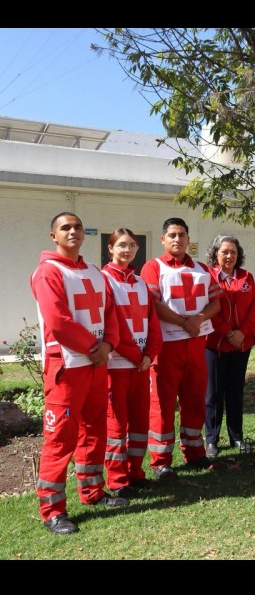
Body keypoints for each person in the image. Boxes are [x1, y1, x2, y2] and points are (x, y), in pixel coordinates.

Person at [30, 212, 126, 535]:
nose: (73, 231)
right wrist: (94, 347)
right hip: (67, 368)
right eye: (65, 227)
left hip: (96, 364)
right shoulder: (47, 272)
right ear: (53, 236)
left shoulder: (95, 273)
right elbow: (58, 321)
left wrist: (108, 344)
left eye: (78, 227)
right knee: (61, 438)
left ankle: (93, 491)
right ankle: (53, 510)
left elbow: (110, 312)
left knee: (95, 429)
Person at [139, 218, 222, 480]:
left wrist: (198, 319)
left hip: (196, 345)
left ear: (188, 239)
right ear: (163, 239)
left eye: (182, 235)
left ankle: (194, 452)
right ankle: (161, 461)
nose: (177, 239)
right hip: (166, 347)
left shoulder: (202, 269)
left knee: (194, 399)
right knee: (162, 404)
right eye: (172, 235)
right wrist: (184, 322)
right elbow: (153, 304)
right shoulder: (153, 267)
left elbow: (216, 303)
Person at [102, 228, 163, 498]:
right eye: (121, 245)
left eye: (132, 246)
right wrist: (137, 356)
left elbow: (153, 322)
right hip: (116, 365)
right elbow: (112, 324)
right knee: (117, 425)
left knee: (139, 421)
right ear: (110, 248)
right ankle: (117, 480)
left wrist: (150, 354)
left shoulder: (140, 283)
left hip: (141, 365)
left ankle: (135, 472)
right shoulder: (103, 280)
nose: (127, 250)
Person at [204, 235, 255, 458]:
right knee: (213, 394)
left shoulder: (247, 277)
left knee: (235, 392)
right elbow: (208, 308)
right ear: (215, 254)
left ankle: (236, 436)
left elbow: (254, 309)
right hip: (215, 344)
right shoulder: (208, 276)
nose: (229, 256)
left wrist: (242, 333)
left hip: (240, 345)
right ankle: (211, 440)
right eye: (225, 252)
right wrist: (228, 332)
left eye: (233, 252)